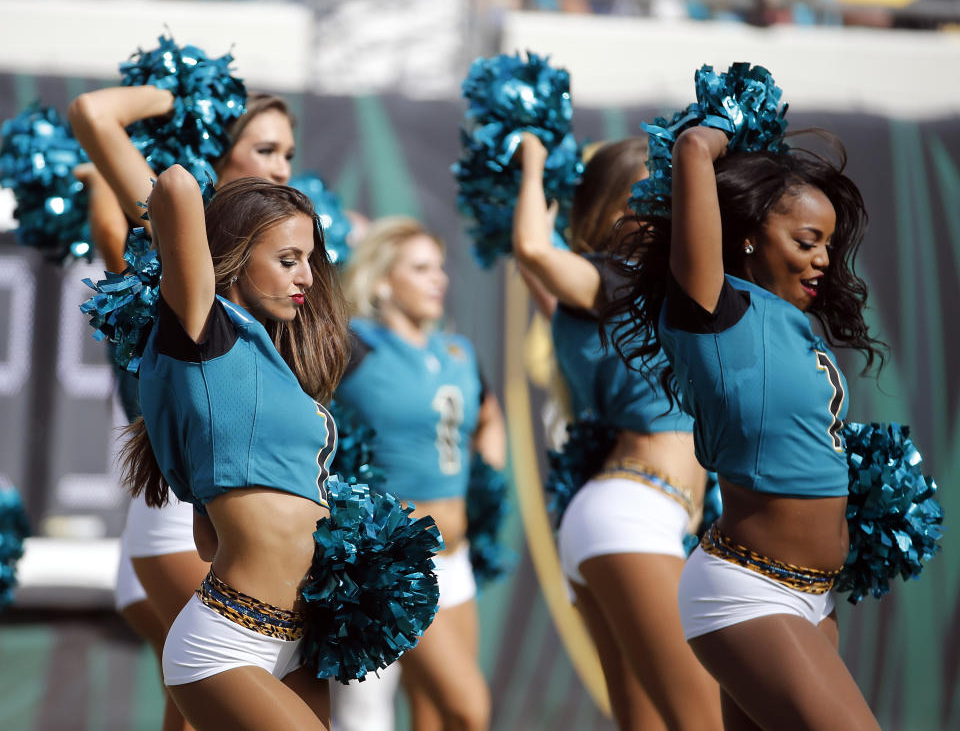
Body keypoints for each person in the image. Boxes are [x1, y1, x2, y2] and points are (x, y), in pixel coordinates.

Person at [606, 124, 884, 730]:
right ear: (750, 237)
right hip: (748, 592)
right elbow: (690, 149)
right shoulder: (715, 312)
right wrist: (724, 128)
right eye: (808, 240)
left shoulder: (791, 325)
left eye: (829, 246)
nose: (823, 260)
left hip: (815, 597)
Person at [69, 90, 297, 731]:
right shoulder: (183, 263)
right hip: (186, 506)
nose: (281, 167)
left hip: (240, 518)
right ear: (215, 155)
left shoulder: (280, 276)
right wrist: (184, 93)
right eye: (264, 149)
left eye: (288, 153)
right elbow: (93, 114)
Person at [512, 132, 721, 731]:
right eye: (650, 197)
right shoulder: (614, 280)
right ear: (614, 210)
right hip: (634, 514)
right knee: (704, 720)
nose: (665, 211)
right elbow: (532, 248)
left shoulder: (615, 302)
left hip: (624, 516)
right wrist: (533, 158)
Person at [128, 167, 348, 728]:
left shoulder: (276, 366)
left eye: (309, 261)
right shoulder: (204, 330)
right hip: (227, 642)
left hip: (300, 641)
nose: (307, 278)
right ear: (235, 254)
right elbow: (175, 185)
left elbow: (210, 537)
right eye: (287, 259)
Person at [333, 216, 507, 731]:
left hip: (456, 558)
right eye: (420, 268)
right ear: (383, 280)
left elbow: (489, 415)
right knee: (464, 709)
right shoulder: (354, 345)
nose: (439, 278)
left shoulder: (456, 352)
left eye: (440, 267)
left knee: (434, 715)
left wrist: (486, 480)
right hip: (393, 559)